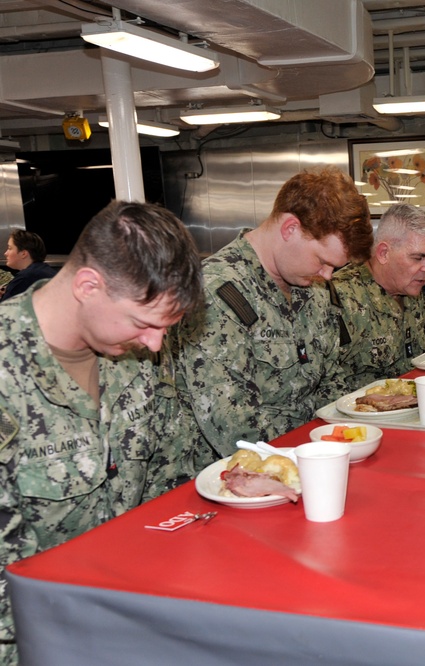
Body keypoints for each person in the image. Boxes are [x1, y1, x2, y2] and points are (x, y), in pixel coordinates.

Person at [0, 200, 204, 662]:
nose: (156, 344)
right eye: (144, 323)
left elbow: (172, 482)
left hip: (143, 611)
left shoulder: (135, 351)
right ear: (88, 285)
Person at [174, 166, 373, 459]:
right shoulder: (216, 293)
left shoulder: (313, 285)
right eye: (322, 260)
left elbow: (333, 378)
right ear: (290, 228)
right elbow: (233, 426)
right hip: (248, 471)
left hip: (318, 456)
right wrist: (313, 457)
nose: (328, 275)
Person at [329, 203, 425, 394]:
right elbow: (324, 385)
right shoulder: (340, 298)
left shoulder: (411, 290)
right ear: (384, 253)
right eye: (418, 258)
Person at [1, 229, 57, 302]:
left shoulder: (25, 278)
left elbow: (4, 310)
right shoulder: (44, 271)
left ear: (23, 254)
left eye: (10, 248)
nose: (5, 253)